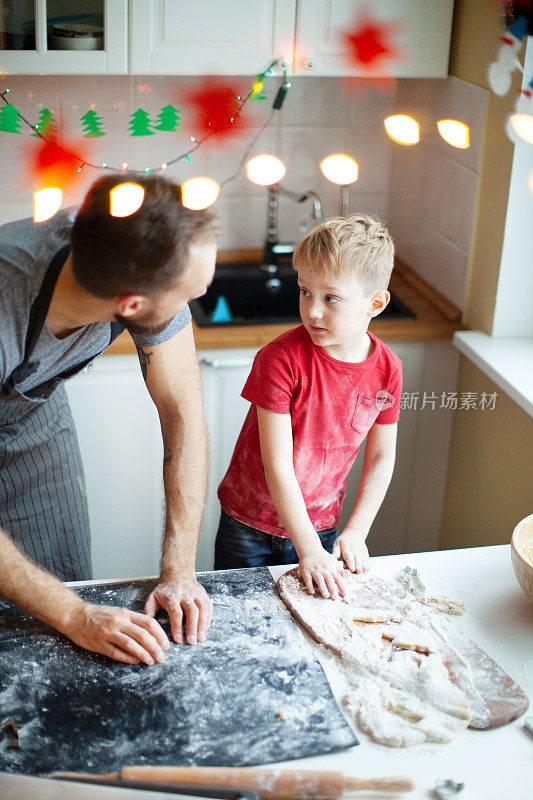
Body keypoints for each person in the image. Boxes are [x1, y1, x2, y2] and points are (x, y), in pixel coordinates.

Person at [0, 173, 221, 665]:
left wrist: (179, 568)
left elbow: (182, 412)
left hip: (32, 414)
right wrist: (77, 618)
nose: (191, 304)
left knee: (59, 585)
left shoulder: (130, 256)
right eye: (187, 295)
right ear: (131, 307)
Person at [215, 214, 402, 599]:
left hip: (322, 525)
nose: (312, 310)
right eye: (304, 292)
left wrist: (356, 531)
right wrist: (309, 550)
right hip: (249, 526)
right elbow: (278, 463)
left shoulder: (387, 369)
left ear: (376, 303)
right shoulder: (279, 359)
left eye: (330, 298)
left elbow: (381, 457)